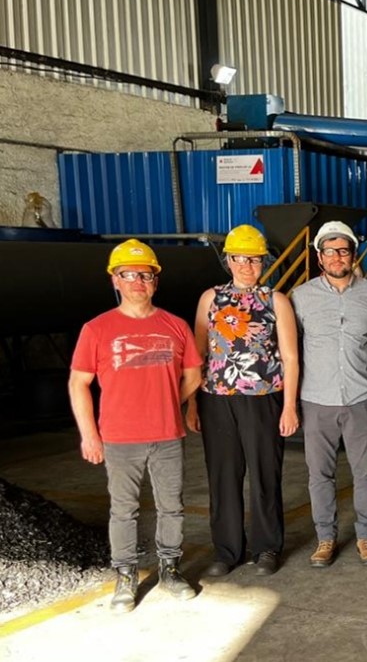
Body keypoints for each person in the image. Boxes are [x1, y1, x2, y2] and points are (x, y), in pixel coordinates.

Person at [69, 239, 201, 612]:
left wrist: (167, 403)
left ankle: (170, 569)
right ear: (115, 280)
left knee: (171, 507)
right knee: (124, 509)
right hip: (119, 438)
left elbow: (193, 375)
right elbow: (78, 383)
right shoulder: (97, 329)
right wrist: (89, 434)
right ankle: (125, 575)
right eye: (128, 275)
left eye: (145, 275)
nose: (138, 282)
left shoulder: (175, 326)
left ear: (155, 281)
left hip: (167, 436)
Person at [187, 224, 300, 577]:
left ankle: (267, 548)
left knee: (265, 474)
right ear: (229, 260)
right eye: (239, 258)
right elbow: (198, 355)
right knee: (223, 476)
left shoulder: (276, 300)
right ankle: (227, 550)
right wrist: (192, 403)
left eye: (254, 259)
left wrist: (290, 406)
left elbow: (291, 357)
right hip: (216, 400)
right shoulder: (210, 299)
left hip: (263, 399)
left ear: (263, 262)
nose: (246, 266)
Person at [291, 221, 367, 568]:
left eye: (343, 250)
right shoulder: (301, 298)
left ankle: (366, 536)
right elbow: (291, 351)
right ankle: (325, 538)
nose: (336, 257)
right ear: (319, 257)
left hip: (362, 399)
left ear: (353, 254)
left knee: (366, 474)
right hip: (317, 400)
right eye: (329, 251)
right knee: (320, 475)